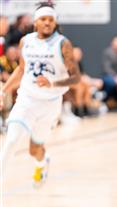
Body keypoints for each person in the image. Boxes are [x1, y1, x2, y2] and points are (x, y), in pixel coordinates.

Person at [0, 2, 81, 187]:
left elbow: (75, 77)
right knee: (11, 140)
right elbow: (21, 70)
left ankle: (42, 163)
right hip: (26, 99)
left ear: (55, 22)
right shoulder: (26, 41)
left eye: (51, 20)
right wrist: (3, 90)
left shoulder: (62, 44)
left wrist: (53, 83)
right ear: (35, 22)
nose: (47, 23)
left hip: (50, 103)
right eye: (43, 19)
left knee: (34, 149)